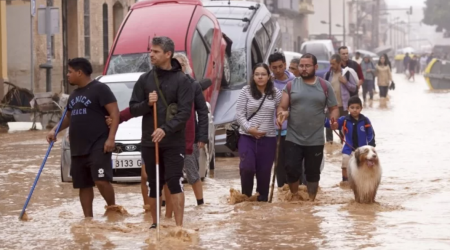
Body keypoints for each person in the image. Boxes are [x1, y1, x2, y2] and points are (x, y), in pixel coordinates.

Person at [129, 36, 194, 228]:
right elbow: (133, 108)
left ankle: (179, 227)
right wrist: (147, 103)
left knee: (174, 180)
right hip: (150, 141)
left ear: (168, 54)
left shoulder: (183, 81)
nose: (151, 55)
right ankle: (155, 225)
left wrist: (165, 129)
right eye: (150, 51)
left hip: (173, 141)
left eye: (156, 51)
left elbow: (184, 114)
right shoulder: (145, 80)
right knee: (153, 182)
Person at [46, 58, 120, 218]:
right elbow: (68, 117)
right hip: (78, 146)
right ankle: (88, 219)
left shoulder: (100, 89)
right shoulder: (74, 95)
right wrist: (54, 130)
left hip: (98, 144)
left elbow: (115, 113)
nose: (67, 75)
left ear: (80, 73)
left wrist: (111, 138)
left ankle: (113, 210)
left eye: (70, 71)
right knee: (83, 184)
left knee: (101, 180)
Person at [277, 53, 339, 201]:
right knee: (291, 169)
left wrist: (334, 119)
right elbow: (282, 106)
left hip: (315, 138)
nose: (304, 69)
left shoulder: (325, 86)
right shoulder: (291, 85)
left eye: (307, 66)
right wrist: (282, 114)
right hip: (293, 137)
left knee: (313, 173)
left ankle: (311, 202)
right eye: (301, 66)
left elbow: (334, 108)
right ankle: (295, 196)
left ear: (315, 67)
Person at [235, 63, 282, 202]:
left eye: (263, 74)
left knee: (264, 173)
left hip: (268, 139)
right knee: (247, 168)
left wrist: (280, 117)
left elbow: (281, 108)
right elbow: (239, 114)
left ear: (269, 77)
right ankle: (246, 199)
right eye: (257, 74)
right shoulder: (246, 91)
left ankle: (262, 205)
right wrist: (249, 129)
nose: (260, 77)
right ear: (253, 76)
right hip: (247, 137)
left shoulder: (275, 93)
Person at [324, 96, 375, 183]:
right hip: (348, 149)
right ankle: (345, 181)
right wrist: (328, 122)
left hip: (362, 150)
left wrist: (371, 146)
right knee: (345, 163)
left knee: (364, 166)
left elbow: (370, 134)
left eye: (357, 108)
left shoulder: (365, 121)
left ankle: (363, 182)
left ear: (361, 108)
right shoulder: (344, 120)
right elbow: (335, 125)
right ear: (348, 108)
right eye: (352, 108)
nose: (355, 110)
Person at [268, 52, 296, 188]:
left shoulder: (295, 82)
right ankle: (282, 193)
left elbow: (298, 106)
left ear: (285, 64)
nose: (278, 70)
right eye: (274, 67)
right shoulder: (267, 83)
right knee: (278, 165)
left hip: (292, 131)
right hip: (273, 131)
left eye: (280, 66)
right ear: (270, 67)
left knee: (292, 165)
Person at [323, 54, 357, 144]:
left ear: (339, 63)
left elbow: (354, 88)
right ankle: (329, 149)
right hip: (330, 106)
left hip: (343, 106)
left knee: (343, 129)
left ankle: (343, 148)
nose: (331, 66)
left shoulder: (347, 74)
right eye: (330, 64)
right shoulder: (327, 75)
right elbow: (323, 90)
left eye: (333, 64)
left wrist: (345, 82)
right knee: (328, 129)